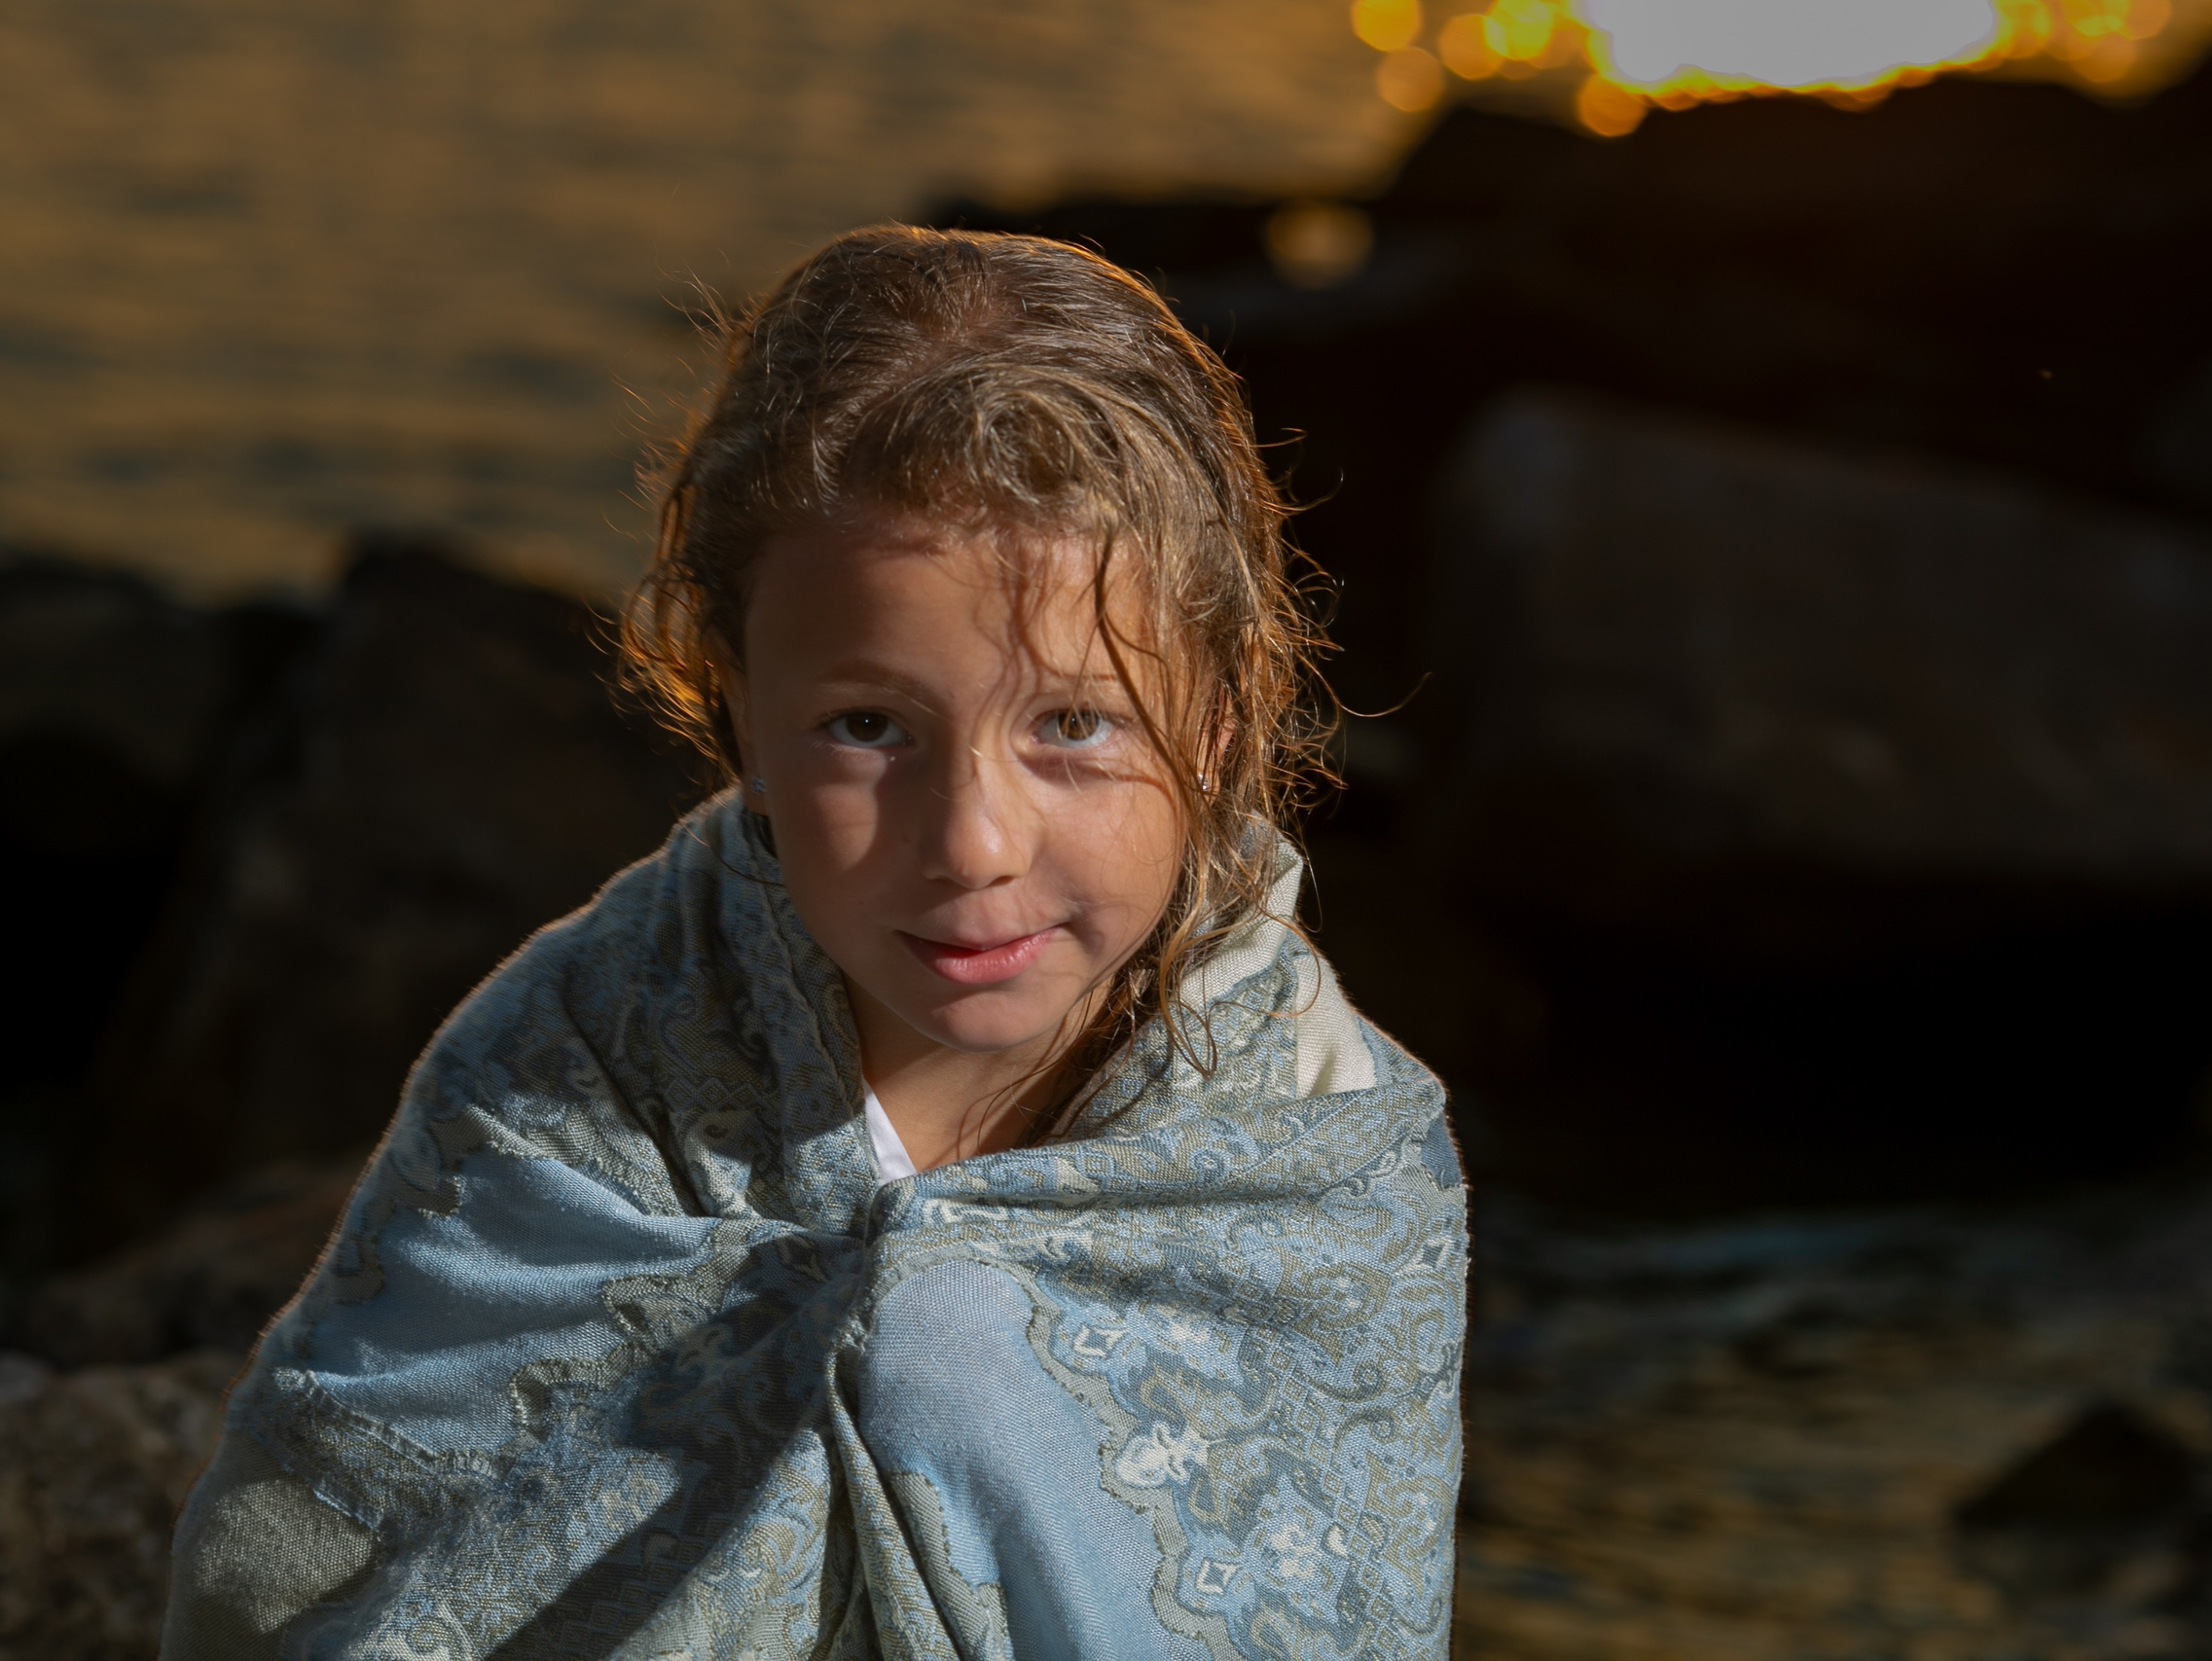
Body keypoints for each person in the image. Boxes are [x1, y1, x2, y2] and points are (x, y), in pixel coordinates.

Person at [163, 226, 1467, 1660]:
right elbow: (307, 1570)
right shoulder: (568, 1073)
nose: (972, 840)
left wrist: (949, 1344)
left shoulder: (1320, 1147)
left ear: (1220, 722)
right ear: (737, 711)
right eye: (868, 727)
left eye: (1073, 725)